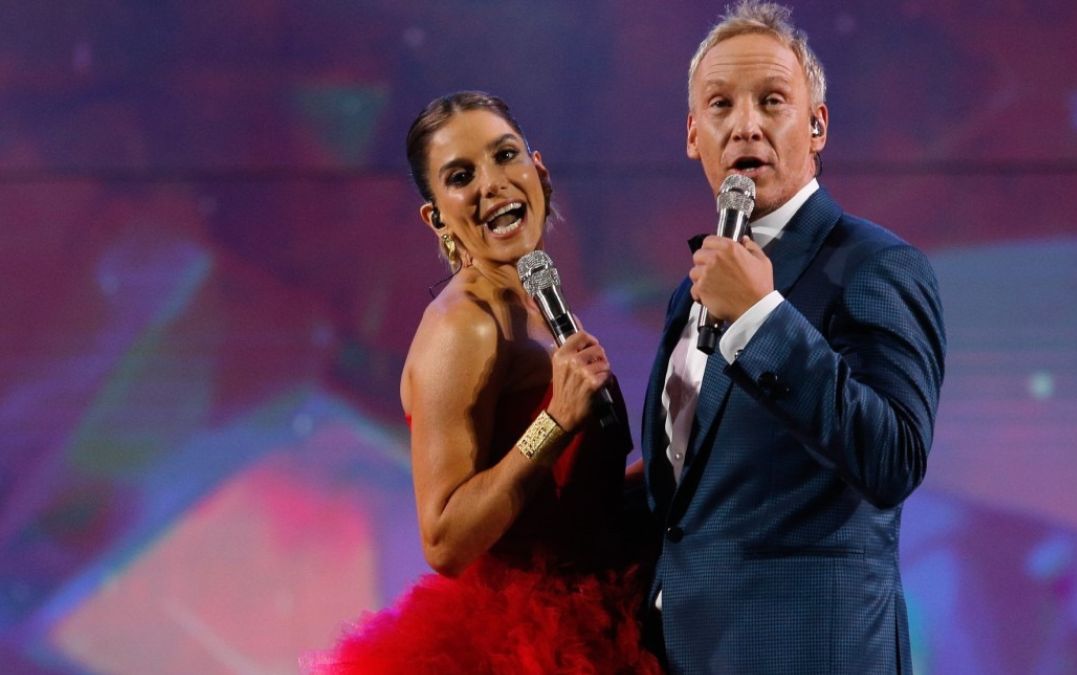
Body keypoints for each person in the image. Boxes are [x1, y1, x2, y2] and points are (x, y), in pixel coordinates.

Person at [640, 2, 947, 673]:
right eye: (720, 105)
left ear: (817, 126)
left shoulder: (873, 266)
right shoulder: (687, 291)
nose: (744, 123)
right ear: (694, 133)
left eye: (771, 100)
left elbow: (893, 456)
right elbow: (694, 498)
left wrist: (761, 319)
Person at [310, 91, 662, 674]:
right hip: (519, 646)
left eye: (504, 156)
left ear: (539, 170)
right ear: (437, 216)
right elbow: (445, 538)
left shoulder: (536, 297)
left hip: (605, 612)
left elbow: (568, 504)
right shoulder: (465, 327)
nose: (491, 183)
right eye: (461, 176)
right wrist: (551, 426)